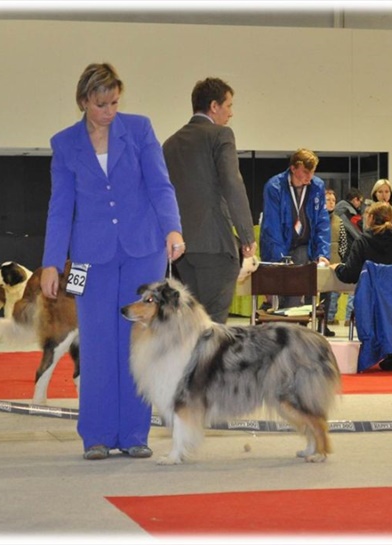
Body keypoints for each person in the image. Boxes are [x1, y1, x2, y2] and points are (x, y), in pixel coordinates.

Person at [40, 63, 185, 461]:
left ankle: (135, 433)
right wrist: (52, 262)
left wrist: (172, 229)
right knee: (96, 342)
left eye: (114, 103)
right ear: (83, 101)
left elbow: (160, 185)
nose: (109, 111)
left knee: (137, 342)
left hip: (143, 250)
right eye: (101, 104)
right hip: (89, 259)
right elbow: (60, 207)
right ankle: (97, 435)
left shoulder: (139, 130)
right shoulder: (64, 144)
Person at [162, 77, 256, 324]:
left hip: (182, 248)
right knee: (214, 327)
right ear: (214, 106)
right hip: (215, 245)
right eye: (229, 105)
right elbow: (232, 184)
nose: (231, 113)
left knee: (193, 324)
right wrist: (247, 236)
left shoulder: (170, 143)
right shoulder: (220, 134)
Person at [331, 202, 392, 370]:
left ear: (370, 218)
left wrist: (337, 267)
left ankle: (373, 349)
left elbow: (350, 274)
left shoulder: (363, 242)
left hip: (372, 304)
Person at [260, 148, 330, 309]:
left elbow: (322, 222)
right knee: (275, 297)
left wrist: (322, 254)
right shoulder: (274, 187)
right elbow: (272, 226)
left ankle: (295, 317)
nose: (309, 176)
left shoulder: (317, 186)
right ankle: (273, 310)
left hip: (303, 245)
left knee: (296, 293)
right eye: (305, 171)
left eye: (312, 171)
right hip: (279, 246)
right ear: (293, 168)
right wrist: (282, 258)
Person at [334, 188, 365, 326]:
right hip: (350, 252)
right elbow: (356, 233)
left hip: (340, 253)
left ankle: (330, 316)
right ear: (355, 199)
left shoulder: (336, 213)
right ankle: (348, 317)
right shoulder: (349, 213)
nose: (360, 205)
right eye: (360, 201)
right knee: (353, 285)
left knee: (334, 287)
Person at [320, 189, 348, 337]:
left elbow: (343, 242)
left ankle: (323, 325)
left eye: (333, 200)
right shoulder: (316, 218)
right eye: (328, 200)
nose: (331, 203)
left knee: (329, 296)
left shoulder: (339, 220)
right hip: (318, 262)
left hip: (333, 262)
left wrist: (340, 258)